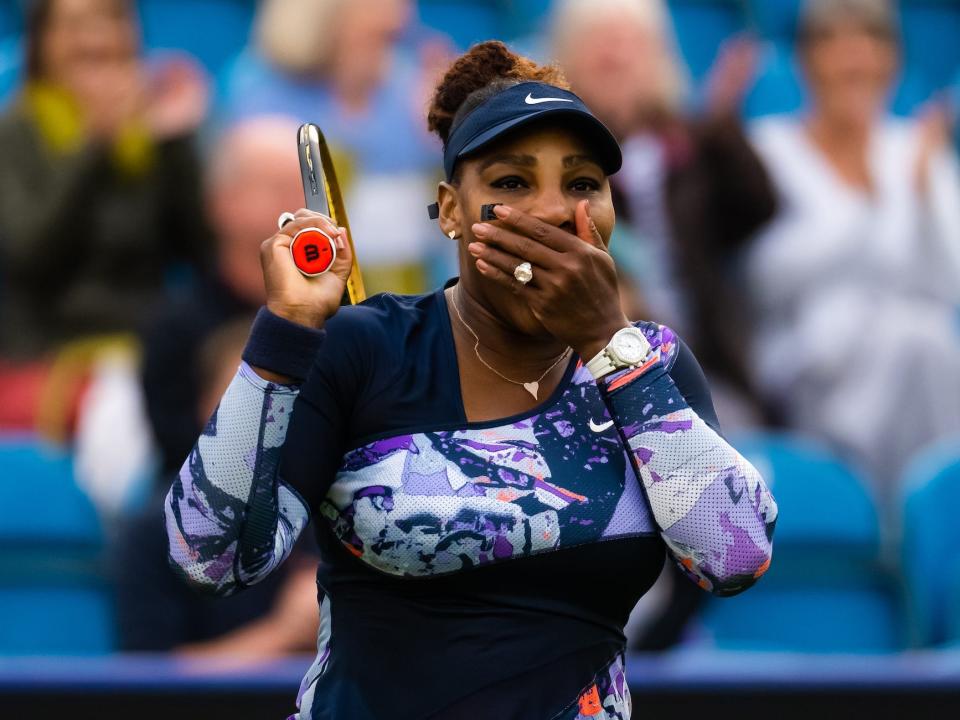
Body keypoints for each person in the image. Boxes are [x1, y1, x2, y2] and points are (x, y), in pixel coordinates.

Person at [166, 41, 777, 719]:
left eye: (582, 184)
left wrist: (607, 343)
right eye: (512, 183)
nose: (552, 210)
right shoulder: (367, 347)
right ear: (451, 209)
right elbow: (209, 556)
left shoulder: (648, 364)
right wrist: (282, 335)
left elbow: (736, 555)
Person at [746, 0, 960, 503]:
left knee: (922, 337)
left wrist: (925, 197)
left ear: (891, 64)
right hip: (808, 361)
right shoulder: (768, 149)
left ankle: (918, 516)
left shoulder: (916, 150)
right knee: (910, 339)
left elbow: (949, 283)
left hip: (918, 365)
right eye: (837, 51)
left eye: (868, 51)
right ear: (806, 62)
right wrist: (865, 210)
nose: (853, 66)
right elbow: (762, 281)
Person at [550, 0, 780, 431]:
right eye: (600, 42)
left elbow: (758, 208)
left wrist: (724, 123)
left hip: (703, 361)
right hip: (601, 367)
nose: (615, 55)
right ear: (569, 56)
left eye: (628, 41)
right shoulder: (555, 158)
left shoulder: (686, 146)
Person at [0, 0, 209, 432]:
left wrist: (175, 145)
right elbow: (30, 255)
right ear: (42, 44)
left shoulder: (154, 137)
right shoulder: (16, 133)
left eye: (113, 19)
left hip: (147, 346)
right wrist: (95, 145)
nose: (97, 36)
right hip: (48, 350)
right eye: (76, 25)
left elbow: (203, 254)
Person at [117, 318, 320, 656]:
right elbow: (148, 684)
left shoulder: (357, 516)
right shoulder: (157, 531)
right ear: (204, 408)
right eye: (245, 400)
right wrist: (283, 634)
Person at [141, 116, 306, 477]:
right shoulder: (177, 326)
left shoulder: (345, 316)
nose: (302, 210)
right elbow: (176, 453)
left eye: (308, 192)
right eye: (281, 189)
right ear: (223, 203)